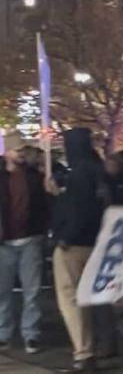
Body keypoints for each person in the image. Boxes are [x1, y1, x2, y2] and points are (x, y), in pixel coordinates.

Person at [48, 128, 105, 373]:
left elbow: (78, 209)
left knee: (71, 299)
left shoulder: (79, 174)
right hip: (95, 241)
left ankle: (84, 353)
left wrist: (64, 236)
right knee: (92, 299)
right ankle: (96, 346)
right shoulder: (96, 170)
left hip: (73, 244)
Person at [0, 134, 49, 354]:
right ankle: (4, 333)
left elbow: (43, 205)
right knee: (4, 291)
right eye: (18, 150)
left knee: (32, 290)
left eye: (23, 150)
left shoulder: (33, 176)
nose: (21, 153)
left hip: (29, 238)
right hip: (5, 241)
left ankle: (31, 334)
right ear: (8, 151)